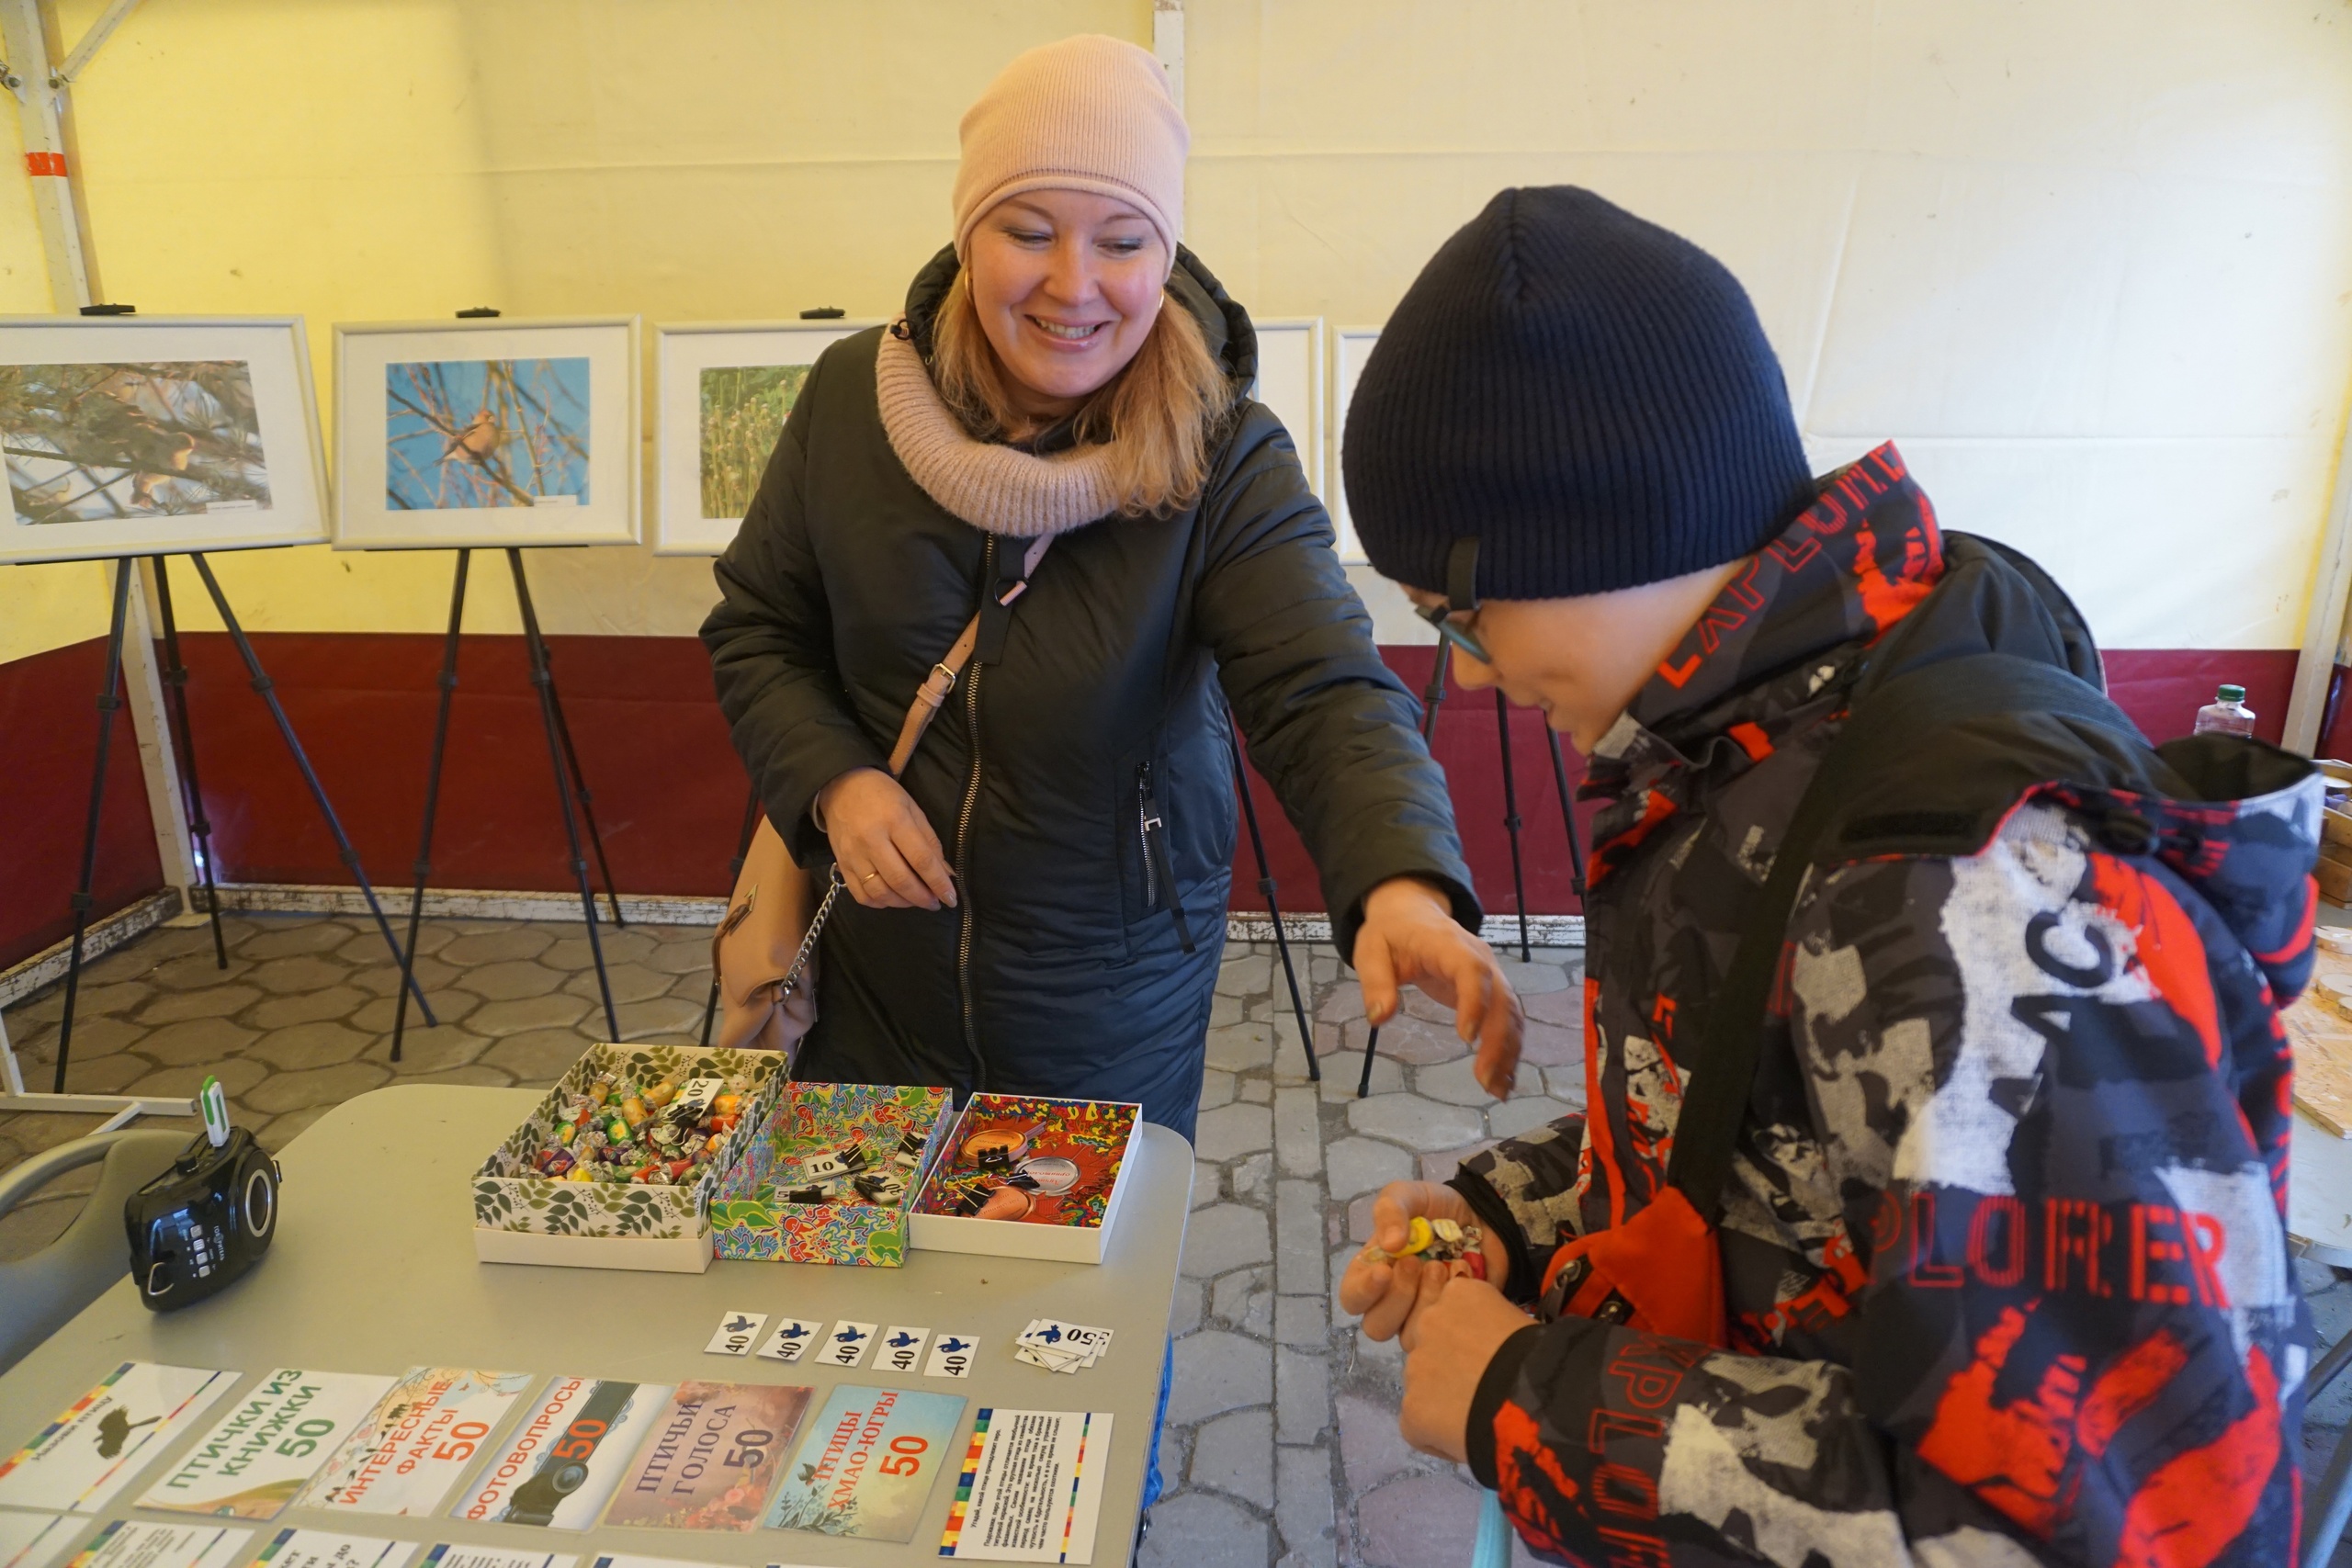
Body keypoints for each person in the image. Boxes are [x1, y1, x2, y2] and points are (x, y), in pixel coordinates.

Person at [1336, 186, 2316, 1564]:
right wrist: (1517, 1215)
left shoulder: (1969, 890)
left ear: (1598, 529)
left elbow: (2099, 1529)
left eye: (1457, 617)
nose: (1477, 673)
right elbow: (1773, 1146)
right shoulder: (1752, 751)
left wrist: (1529, 1404)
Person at [700, 33, 1522, 1139]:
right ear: (967, 235)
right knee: (862, 1243)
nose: (1073, 284)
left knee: (1069, 1258)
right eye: (1027, 231)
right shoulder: (855, 398)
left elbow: (1322, 688)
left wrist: (1402, 883)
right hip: (873, 986)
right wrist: (834, 783)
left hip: (1109, 1001)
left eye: (1121, 241)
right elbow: (758, 628)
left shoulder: (1224, 454)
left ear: (1164, 253)